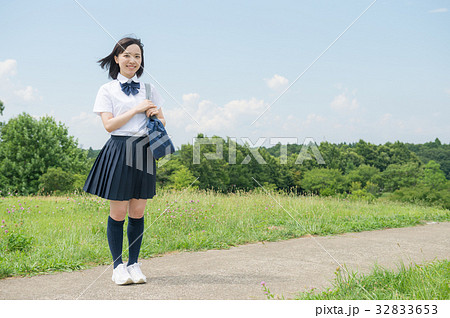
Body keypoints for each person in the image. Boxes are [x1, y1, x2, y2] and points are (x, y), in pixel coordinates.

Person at [83, 36, 166, 285]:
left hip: (143, 149)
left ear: (141, 62)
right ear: (117, 58)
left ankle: (134, 264)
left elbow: (162, 123)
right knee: (118, 212)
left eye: (137, 56)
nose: (132, 60)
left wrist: (153, 114)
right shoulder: (106, 90)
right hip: (119, 148)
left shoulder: (150, 89)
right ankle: (117, 266)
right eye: (127, 55)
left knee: (138, 211)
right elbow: (109, 125)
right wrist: (135, 110)